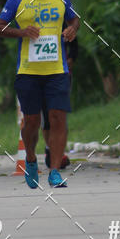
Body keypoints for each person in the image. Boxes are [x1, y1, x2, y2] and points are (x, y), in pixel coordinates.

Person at [0, 0, 80, 189]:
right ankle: (31, 159)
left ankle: (54, 171)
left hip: (57, 70)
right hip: (28, 71)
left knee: (58, 118)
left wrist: (72, 29)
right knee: (32, 122)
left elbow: (74, 19)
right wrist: (21, 32)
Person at [43, 34, 78, 168]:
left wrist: (70, 59)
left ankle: (59, 153)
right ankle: (49, 149)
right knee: (46, 118)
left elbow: (74, 44)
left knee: (59, 114)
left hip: (60, 74)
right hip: (37, 74)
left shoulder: (63, 17)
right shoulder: (30, 16)